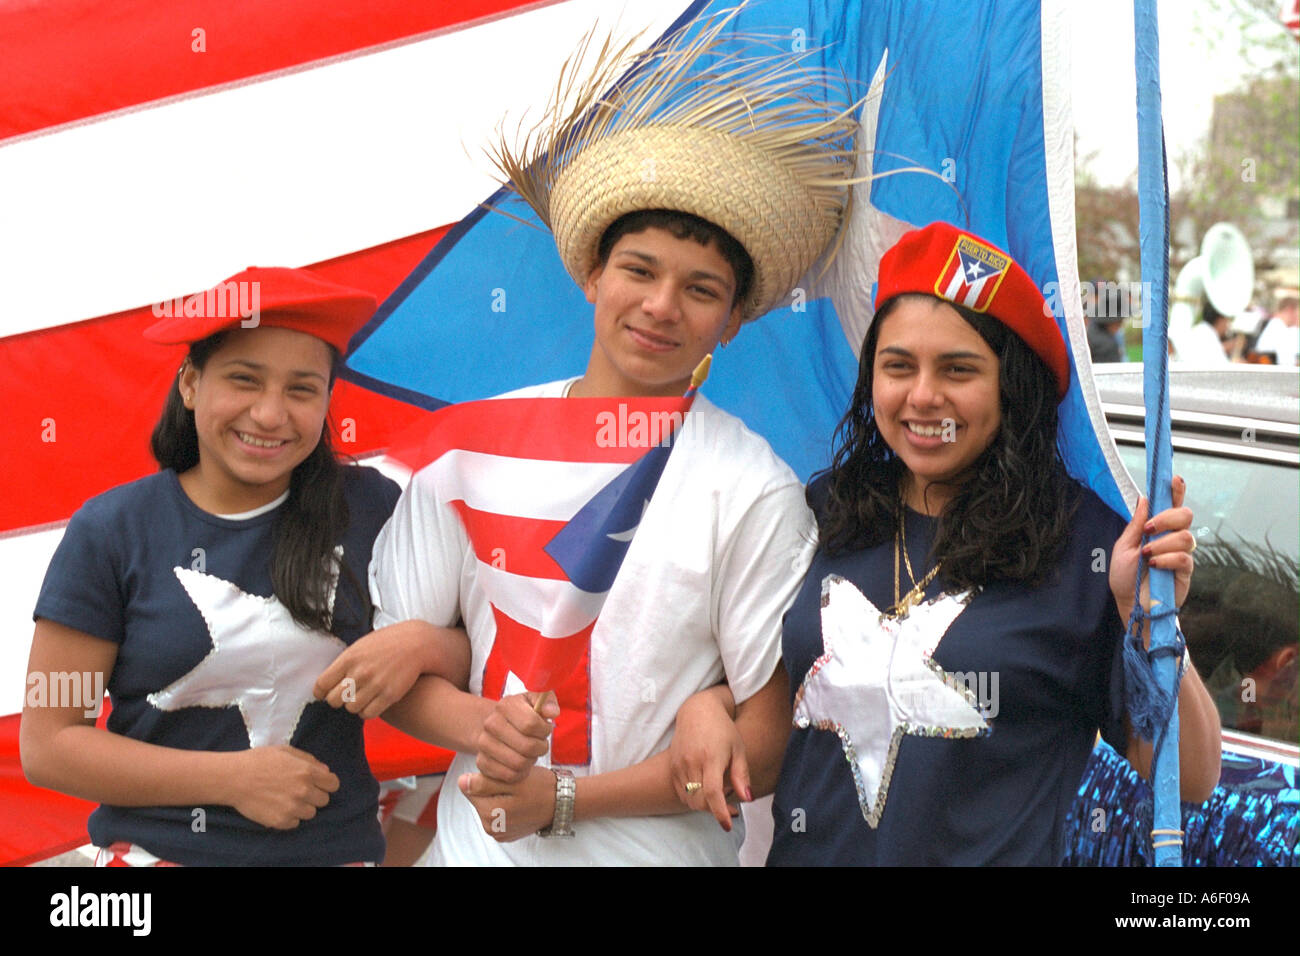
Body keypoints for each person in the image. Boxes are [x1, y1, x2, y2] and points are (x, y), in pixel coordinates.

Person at [322, 13, 860, 865]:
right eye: (639, 271)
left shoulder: (752, 486)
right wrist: (484, 724)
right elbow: (401, 675)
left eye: (700, 289)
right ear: (589, 275)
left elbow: (763, 746)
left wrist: (562, 797)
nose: (660, 306)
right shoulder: (468, 447)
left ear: (730, 321)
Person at [672, 222, 1221, 865]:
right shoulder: (825, 510)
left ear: (1011, 386)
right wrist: (707, 702)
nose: (923, 396)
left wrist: (1147, 615)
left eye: (958, 369)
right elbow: (766, 682)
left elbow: (1191, 775)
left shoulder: (1092, 548)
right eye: (898, 366)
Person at [20, 267, 462, 866]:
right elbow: (49, 745)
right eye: (244, 381)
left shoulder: (374, 509)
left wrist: (422, 645)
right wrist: (232, 780)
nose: (270, 414)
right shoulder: (111, 530)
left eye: (301, 390)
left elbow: (475, 655)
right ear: (191, 384)